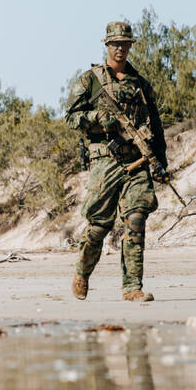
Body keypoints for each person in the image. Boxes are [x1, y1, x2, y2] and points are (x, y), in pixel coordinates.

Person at [64, 21, 168, 302]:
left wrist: (161, 161)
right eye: (115, 44)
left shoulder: (141, 84)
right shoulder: (90, 80)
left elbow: (155, 125)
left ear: (131, 46)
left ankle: (132, 287)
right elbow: (70, 118)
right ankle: (82, 273)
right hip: (105, 161)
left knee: (136, 220)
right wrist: (97, 118)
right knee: (99, 226)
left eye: (125, 44)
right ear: (107, 46)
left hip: (137, 160)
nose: (120, 48)